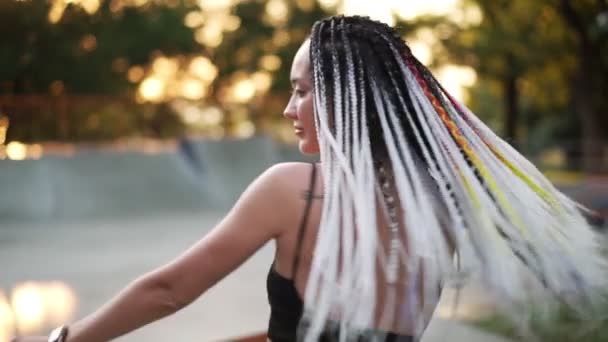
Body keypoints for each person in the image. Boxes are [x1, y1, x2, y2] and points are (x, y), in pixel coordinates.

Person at [12, 15, 607, 342]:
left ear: (347, 100)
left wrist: (68, 341)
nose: (288, 110)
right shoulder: (440, 204)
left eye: (301, 91)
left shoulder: (294, 192)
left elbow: (169, 290)